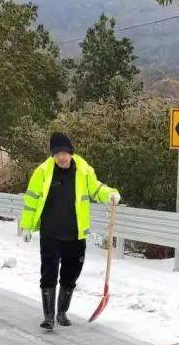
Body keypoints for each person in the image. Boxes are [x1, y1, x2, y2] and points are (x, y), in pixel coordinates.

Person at [20, 132, 120, 329]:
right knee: (48, 273)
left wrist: (110, 194)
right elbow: (31, 200)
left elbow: (96, 189)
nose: (62, 158)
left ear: (71, 153)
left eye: (65, 153)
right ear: (53, 155)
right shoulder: (42, 171)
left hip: (75, 234)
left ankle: (62, 312)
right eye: (57, 154)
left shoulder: (83, 170)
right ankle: (48, 316)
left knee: (70, 274)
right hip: (50, 232)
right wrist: (26, 225)